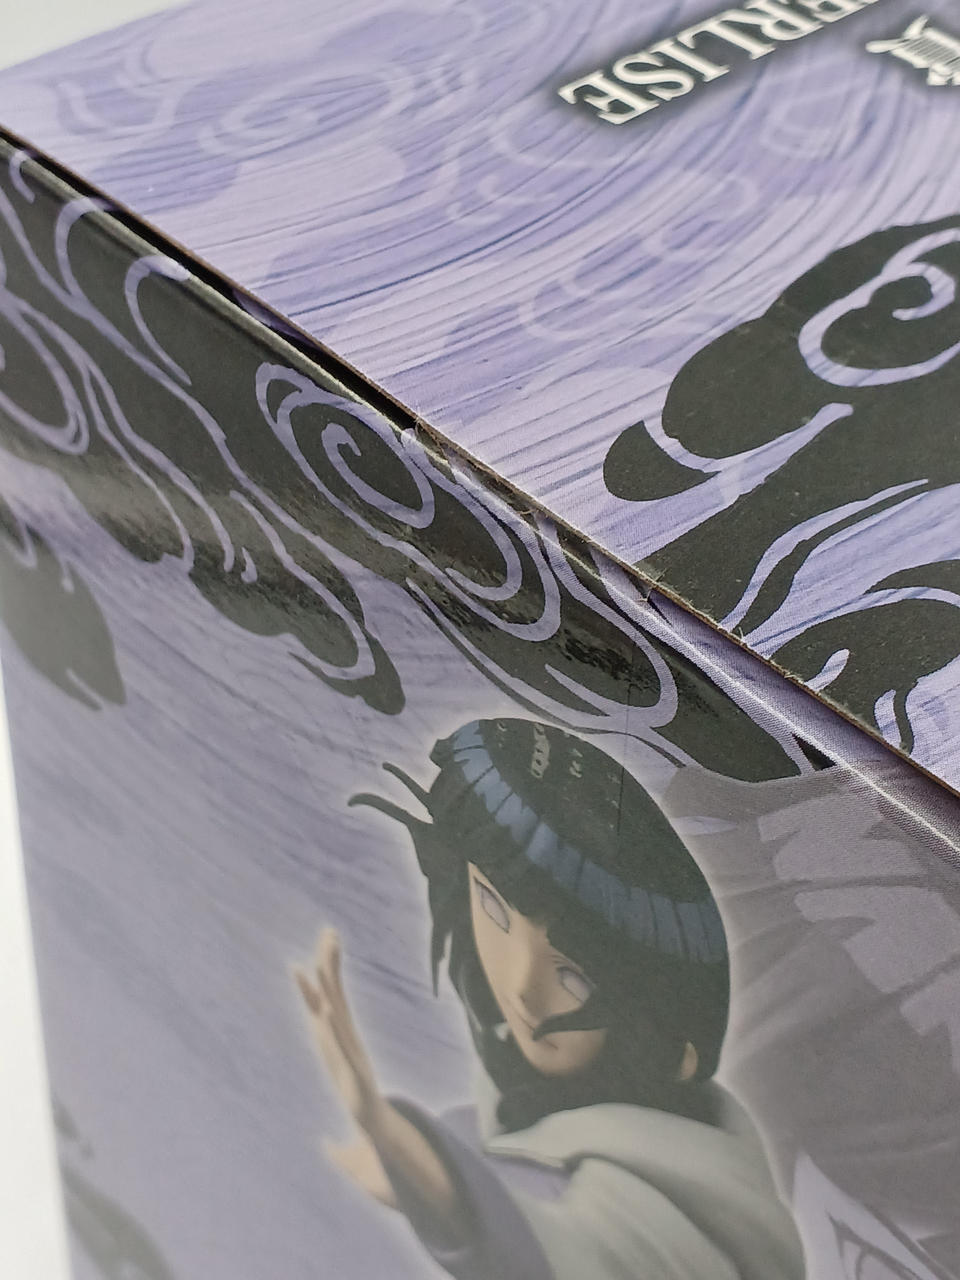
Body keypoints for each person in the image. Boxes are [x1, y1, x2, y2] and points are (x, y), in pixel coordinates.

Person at [295, 718, 805, 1279]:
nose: (520, 988)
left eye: (573, 975)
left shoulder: (666, 1203)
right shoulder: (491, 1119)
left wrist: (418, 1166)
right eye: (493, 907)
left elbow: (581, 1252)